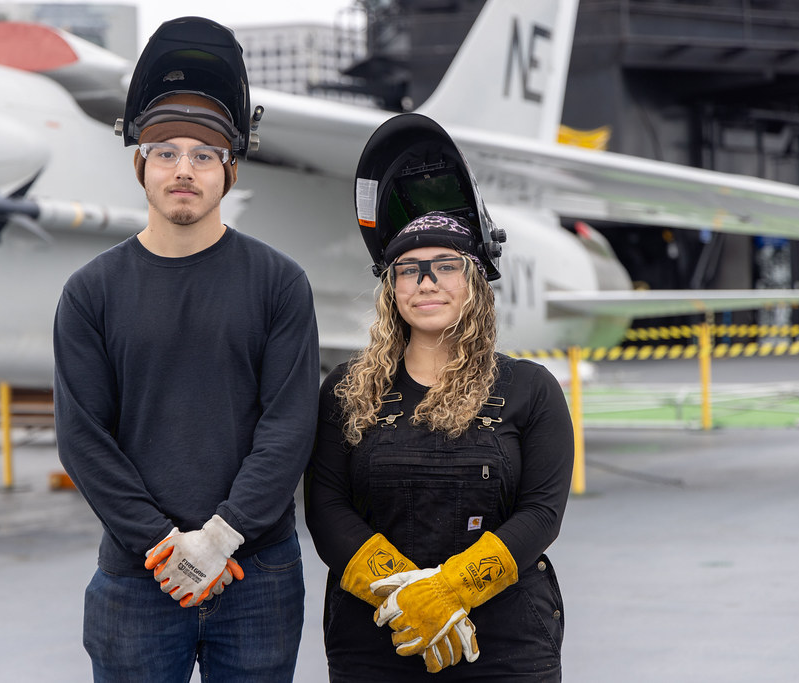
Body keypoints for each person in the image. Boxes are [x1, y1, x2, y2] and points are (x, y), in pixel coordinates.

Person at [53, 18, 319, 681]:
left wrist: (223, 535)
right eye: (165, 151)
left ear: (230, 169)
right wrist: (162, 543)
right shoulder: (91, 292)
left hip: (256, 574)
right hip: (139, 577)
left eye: (204, 155)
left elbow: (288, 426)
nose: (183, 169)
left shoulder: (279, 283)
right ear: (139, 163)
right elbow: (83, 437)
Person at [305, 211, 574, 681]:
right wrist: (408, 598)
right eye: (409, 270)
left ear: (476, 283)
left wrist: (450, 591)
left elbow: (541, 513)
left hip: (504, 646)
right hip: (378, 636)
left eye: (446, 266)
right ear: (392, 288)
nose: (426, 282)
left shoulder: (530, 388)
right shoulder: (348, 388)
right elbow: (326, 508)